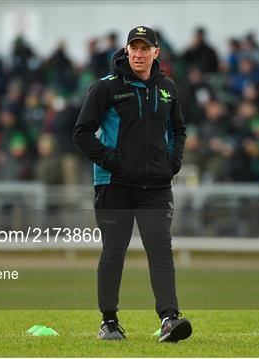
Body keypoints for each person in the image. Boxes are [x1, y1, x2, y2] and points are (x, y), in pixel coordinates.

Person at [73, 26, 191, 343]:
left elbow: (179, 130)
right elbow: (82, 132)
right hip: (114, 185)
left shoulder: (168, 88)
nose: (138, 54)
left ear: (156, 52)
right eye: (133, 48)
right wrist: (112, 160)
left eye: (144, 48)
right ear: (126, 51)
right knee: (114, 251)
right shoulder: (105, 88)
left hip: (156, 186)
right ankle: (109, 322)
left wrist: (173, 162)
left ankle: (169, 318)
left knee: (161, 249)